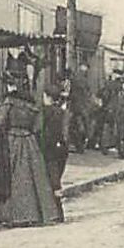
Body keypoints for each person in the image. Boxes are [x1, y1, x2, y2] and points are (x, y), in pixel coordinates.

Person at [0, 77, 62, 226]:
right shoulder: (32, 105)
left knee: (10, 177)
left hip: (12, 140)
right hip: (29, 142)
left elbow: (0, 124)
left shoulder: (9, 102)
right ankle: (36, 214)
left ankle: (12, 215)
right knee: (33, 179)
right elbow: (37, 128)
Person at [41, 79, 72, 212]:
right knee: (56, 177)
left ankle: (55, 210)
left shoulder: (44, 112)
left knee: (51, 179)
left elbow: (42, 131)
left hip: (48, 148)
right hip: (61, 148)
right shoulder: (62, 112)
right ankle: (58, 210)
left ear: (47, 97)